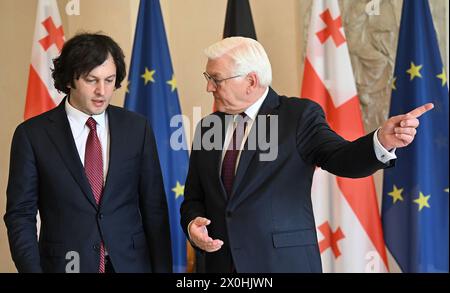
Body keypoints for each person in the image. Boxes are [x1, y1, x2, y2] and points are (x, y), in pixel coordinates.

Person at [180, 36, 433, 273]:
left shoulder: (298, 116)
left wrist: (380, 141)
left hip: (281, 264)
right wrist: (192, 226)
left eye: (216, 79)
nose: (208, 87)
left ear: (251, 81)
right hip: (220, 267)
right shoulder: (208, 127)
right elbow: (194, 197)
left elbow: (342, 157)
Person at [4, 33, 172, 273]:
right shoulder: (32, 135)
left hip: (131, 264)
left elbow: (154, 207)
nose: (102, 91)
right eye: (91, 80)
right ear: (70, 79)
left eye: (109, 80)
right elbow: (20, 215)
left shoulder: (137, 128)